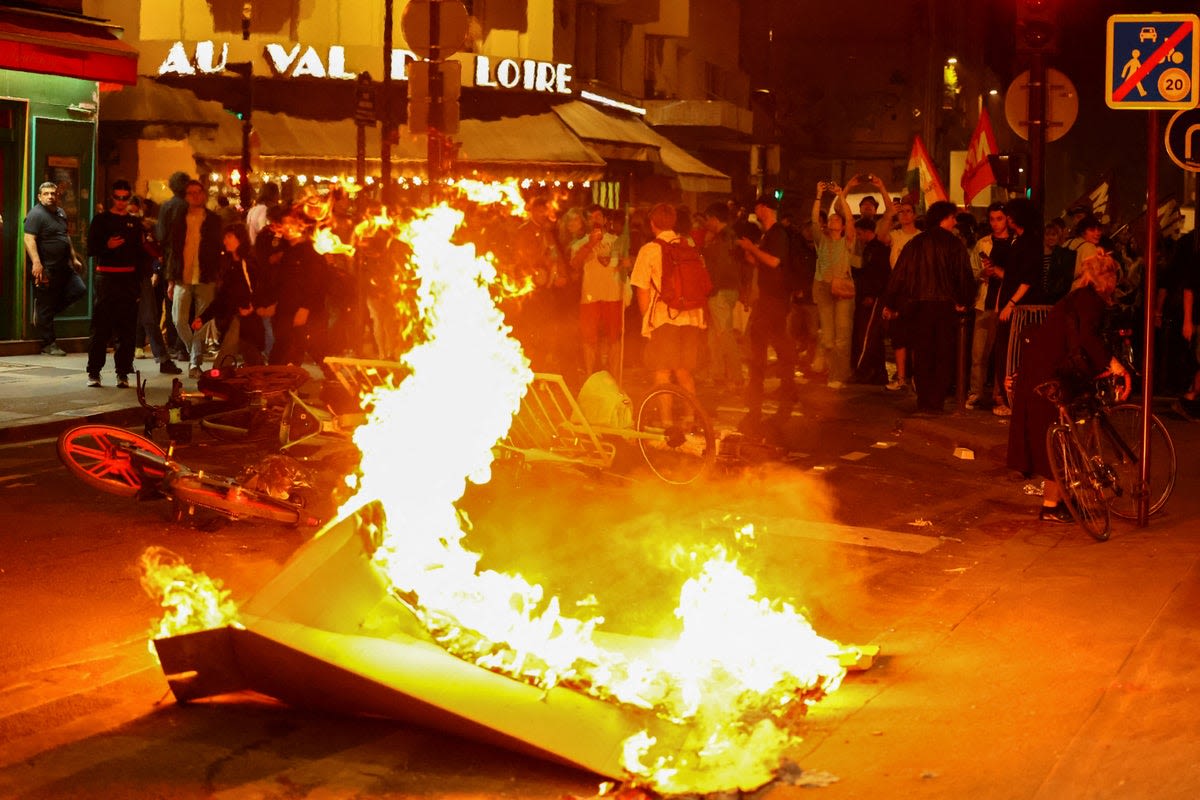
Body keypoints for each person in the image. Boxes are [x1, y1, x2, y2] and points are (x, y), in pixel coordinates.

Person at [1007, 253, 1131, 522]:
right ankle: (1051, 506)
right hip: (1049, 375)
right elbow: (1087, 336)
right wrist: (1114, 364)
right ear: (1106, 280)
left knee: (1062, 435)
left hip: (1044, 370)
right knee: (1057, 438)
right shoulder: (1090, 302)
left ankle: (1063, 500)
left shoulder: (1079, 298)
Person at [882, 200, 975, 414]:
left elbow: (900, 275)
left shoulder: (916, 243)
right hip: (945, 307)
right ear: (945, 218)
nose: (954, 222)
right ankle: (936, 401)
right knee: (942, 355)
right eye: (952, 217)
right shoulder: (954, 244)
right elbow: (963, 276)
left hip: (919, 306)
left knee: (922, 354)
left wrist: (891, 302)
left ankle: (924, 401)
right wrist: (964, 300)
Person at [630, 202, 705, 426]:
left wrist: (648, 322)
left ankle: (667, 423)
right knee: (684, 371)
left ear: (652, 224)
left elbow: (642, 290)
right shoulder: (688, 245)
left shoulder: (649, 250)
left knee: (662, 372)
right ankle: (690, 419)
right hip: (691, 316)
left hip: (665, 318)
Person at [737, 194, 796, 431]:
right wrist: (752, 255)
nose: (755, 211)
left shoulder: (777, 233)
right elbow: (765, 263)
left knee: (762, 345)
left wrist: (753, 248)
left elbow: (774, 262)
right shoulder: (768, 234)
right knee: (776, 342)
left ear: (764, 208)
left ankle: (762, 398)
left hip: (775, 299)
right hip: (769, 298)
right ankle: (785, 389)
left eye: (757, 207)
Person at [83, 180, 146, 388]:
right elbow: (90, 248)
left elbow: (140, 255)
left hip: (127, 278)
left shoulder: (135, 224)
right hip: (107, 277)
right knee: (101, 327)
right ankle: (94, 371)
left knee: (127, 329)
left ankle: (123, 372)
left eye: (124, 198)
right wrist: (106, 246)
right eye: (118, 198)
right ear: (112, 198)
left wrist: (138, 285)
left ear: (129, 198)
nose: (121, 202)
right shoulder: (101, 220)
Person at [23, 181, 87, 355]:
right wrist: (37, 263)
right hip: (46, 268)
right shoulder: (36, 214)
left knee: (79, 289)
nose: (50, 196)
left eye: (53, 193)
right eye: (46, 194)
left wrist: (73, 258)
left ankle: (45, 315)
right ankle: (48, 344)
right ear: (39, 196)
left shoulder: (60, 212)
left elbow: (65, 236)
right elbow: (29, 239)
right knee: (45, 304)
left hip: (64, 266)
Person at [168, 179, 223, 379]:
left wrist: (218, 274)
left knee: (201, 321)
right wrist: (171, 279)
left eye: (198, 192)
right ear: (185, 196)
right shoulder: (179, 219)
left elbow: (218, 249)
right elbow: (173, 250)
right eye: (191, 193)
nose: (195, 196)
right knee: (178, 319)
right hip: (183, 276)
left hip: (205, 275)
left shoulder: (213, 220)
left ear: (204, 194)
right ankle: (195, 354)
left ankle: (194, 363)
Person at [991, 198, 1040, 416]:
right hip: (1008, 302)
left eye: (1010, 215)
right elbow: (1010, 276)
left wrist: (1011, 304)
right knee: (1003, 349)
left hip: (1018, 306)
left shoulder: (1030, 242)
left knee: (1013, 351)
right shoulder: (1017, 241)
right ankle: (1007, 396)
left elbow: (1027, 279)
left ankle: (1013, 399)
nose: (1008, 219)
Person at [192, 223, 265, 368]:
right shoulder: (230, 264)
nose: (225, 241)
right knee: (253, 360)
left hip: (244, 319)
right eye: (225, 237)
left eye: (229, 237)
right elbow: (222, 296)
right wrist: (204, 317)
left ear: (240, 239)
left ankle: (216, 383)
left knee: (224, 362)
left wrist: (252, 307)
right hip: (234, 318)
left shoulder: (249, 264)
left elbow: (262, 288)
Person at [966, 202, 1013, 410]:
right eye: (992, 219)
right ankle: (975, 391)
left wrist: (1000, 273)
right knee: (979, 354)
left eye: (999, 219)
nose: (995, 224)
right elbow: (972, 270)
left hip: (1004, 304)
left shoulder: (1015, 243)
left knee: (1002, 354)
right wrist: (982, 274)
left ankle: (999, 393)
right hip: (984, 302)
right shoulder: (983, 243)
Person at [875, 179, 920, 391]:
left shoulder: (921, 238)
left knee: (915, 336)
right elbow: (880, 236)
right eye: (902, 212)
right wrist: (889, 214)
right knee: (899, 336)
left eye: (908, 211)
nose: (904, 215)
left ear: (915, 215)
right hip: (897, 288)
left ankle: (916, 378)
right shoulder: (895, 235)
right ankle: (901, 377)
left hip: (916, 288)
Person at [570, 205, 625, 377]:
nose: (595, 219)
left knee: (614, 339)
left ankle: (615, 378)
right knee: (589, 339)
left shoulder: (617, 241)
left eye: (598, 216)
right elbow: (574, 265)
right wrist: (591, 243)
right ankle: (589, 377)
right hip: (590, 297)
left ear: (605, 219)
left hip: (613, 296)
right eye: (590, 217)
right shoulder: (580, 243)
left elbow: (627, 264)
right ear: (586, 221)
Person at [810, 181, 855, 388]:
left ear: (843, 226)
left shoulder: (848, 241)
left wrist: (841, 196)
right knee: (828, 336)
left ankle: (837, 376)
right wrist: (819, 194)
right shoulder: (822, 239)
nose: (834, 220)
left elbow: (851, 219)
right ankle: (826, 362)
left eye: (838, 219)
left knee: (842, 336)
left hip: (843, 288)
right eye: (831, 218)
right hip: (823, 287)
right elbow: (813, 220)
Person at [701, 201, 744, 390]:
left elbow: (717, 268)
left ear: (714, 219)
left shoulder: (721, 240)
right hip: (730, 289)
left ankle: (736, 376)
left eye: (707, 220)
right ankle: (717, 373)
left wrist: (711, 290)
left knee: (724, 333)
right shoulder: (732, 236)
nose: (705, 224)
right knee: (715, 333)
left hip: (718, 290)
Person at [850, 217, 890, 384]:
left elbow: (879, 275)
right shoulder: (868, 249)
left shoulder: (878, 250)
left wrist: (871, 295)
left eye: (859, 234)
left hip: (873, 298)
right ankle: (878, 373)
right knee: (873, 336)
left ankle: (865, 370)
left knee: (866, 336)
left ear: (868, 232)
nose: (858, 237)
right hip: (868, 295)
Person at [246, 181, 280, 246]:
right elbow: (267, 232)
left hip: (254, 246)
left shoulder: (252, 210)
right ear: (274, 194)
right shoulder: (268, 210)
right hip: (265, 248)